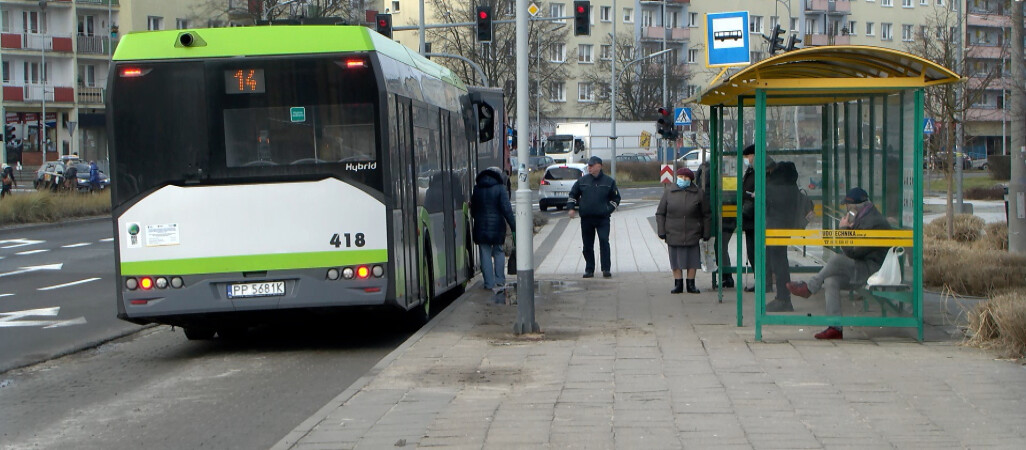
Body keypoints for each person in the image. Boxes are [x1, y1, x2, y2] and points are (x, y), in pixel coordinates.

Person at [786, 187, 892, 340]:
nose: (847, 210)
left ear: (856, 207)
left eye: (848, 207)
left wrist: (843, 230)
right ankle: (835, 327)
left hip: (873, 269)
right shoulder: (864, 217)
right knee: (831, 280)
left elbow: (854, 252)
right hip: (864, 265)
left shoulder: (873, 222)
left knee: (836, 259)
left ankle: (809, 287)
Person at [656, 168, 711, 294]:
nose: (683, 180)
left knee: (693, 259)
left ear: (691, 180)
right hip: (673, 232)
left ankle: (691, 283)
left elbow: (706, 214)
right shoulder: (669, 192)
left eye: (686, 178)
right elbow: (660, 213)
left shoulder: (698, 193)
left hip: (692, 232)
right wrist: (661, 230)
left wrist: (706, 232)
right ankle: (678, 283)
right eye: (681, 177)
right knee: (675, 259)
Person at [567, 156, 621, 278]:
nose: (589, 168)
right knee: (587, 244)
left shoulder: (609, 182)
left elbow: (616, 198)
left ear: (599, 166)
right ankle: (589, 269)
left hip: (603, 218)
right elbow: (573, 194)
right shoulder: (582, 181)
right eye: (588, 166)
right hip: (587, 218)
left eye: (591, 165)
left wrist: (608, 209)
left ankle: (606, 268)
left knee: (604, 241)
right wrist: (571, 207)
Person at [470, 167, 515, 293]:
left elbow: (473, 211)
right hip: (497, 227)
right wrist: (513, 226)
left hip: (481, 226)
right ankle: (500, 281)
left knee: (485, 253)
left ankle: (489, 283)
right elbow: (507, 209)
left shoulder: (477, 189)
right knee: (499, 251)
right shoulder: (500, 188)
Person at [695, 160, 735, 289]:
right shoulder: (724, 182)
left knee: (720, 247)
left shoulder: (707, 188)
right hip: (727, 218)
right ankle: (726, 276)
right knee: (721, 247)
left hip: (722, 219)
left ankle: (726, 277)